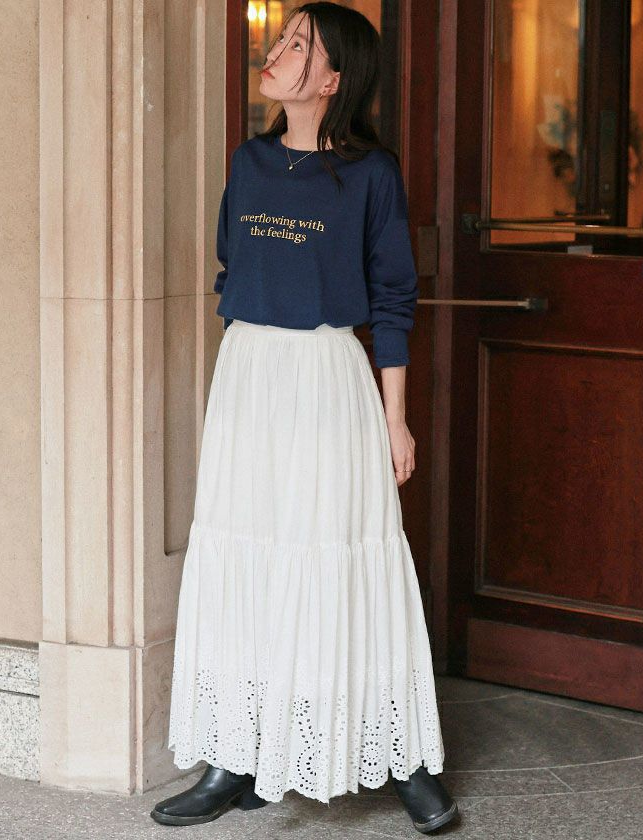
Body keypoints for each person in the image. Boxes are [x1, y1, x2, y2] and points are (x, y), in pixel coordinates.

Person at [151, 2, 458, 834]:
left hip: (328, 375)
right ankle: (235, 757)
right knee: (247, 551)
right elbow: (232, 263)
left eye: (298, 46)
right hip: (250, 375)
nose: (276, 50)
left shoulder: (372, 175)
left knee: (343, 554)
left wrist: (396, 420)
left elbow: (393, 299)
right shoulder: (249, 162)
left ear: (332, 81)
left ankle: (405, 758)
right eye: (280, 38)